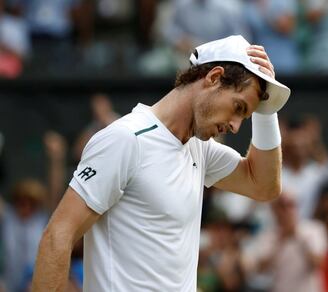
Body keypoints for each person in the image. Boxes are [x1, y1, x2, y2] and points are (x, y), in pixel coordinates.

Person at [32, 35, 291, 291]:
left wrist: (267, 109)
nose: (235, 126)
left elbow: (264, 186)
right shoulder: (127, 139)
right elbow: (57, 236)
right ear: (213, 78)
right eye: (238, 107)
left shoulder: (198, 149)